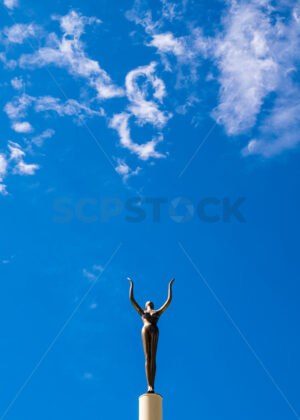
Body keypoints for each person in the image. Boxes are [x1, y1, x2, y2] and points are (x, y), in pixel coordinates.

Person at [127, 277, 175, 393]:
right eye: (148, 302)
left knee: (153, 357)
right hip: (145, 329)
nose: (149, 302)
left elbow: (168, 301)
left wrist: (170, 286)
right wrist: (131, 284)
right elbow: (132, 299)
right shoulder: (142, 312)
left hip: (154, 329)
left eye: (151, 302)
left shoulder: (157, 312)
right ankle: (149, 385)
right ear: (146, 305)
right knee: (147, 357)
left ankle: (152, 385)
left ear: (152, 305)